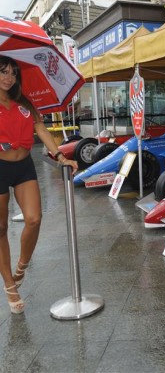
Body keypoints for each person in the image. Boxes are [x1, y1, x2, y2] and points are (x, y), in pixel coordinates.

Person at [0, 55, 78, 314]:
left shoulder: (24, 102)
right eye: (3, 72)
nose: (8, 77)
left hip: (24, 165)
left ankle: (21, 265)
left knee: (34, 219)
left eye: (12, 73)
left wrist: (61, 156)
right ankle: (10, 284)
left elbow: (42, 130)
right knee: (0, 229)